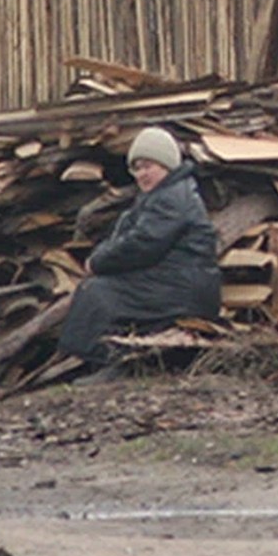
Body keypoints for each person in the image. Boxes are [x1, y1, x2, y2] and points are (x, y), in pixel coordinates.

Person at [58, 126, 221, 377]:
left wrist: (97, 262)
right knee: (101, 289)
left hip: (183, 290)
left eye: (148, 166)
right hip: (175, 282)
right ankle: (100, 363)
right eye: (137, 167)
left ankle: (101, 364)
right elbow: (130, 237)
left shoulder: (172, 198)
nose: (141, 174)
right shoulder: (163, 194)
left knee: (98, 292)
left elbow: (142, 244)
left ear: (167, 165)